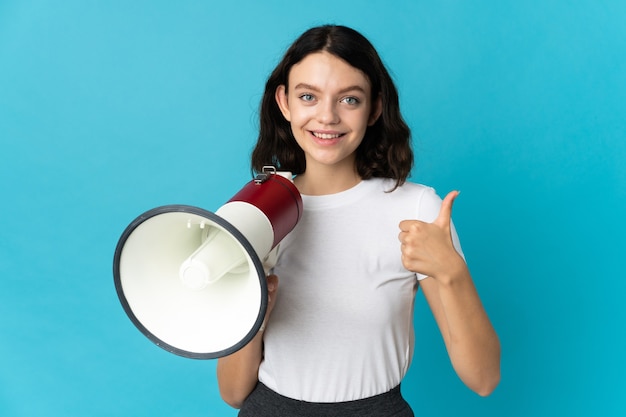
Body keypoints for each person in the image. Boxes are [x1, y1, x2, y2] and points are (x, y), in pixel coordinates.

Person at [217, 24, 500, 416]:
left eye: (349, 99)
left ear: (375, 108)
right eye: (308, 96)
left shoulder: (416, 209)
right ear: (284, 102)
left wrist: (452, 273)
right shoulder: (258, 210)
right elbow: (233, 392)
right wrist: (255, 318)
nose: (327, 116)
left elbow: (483, 379)